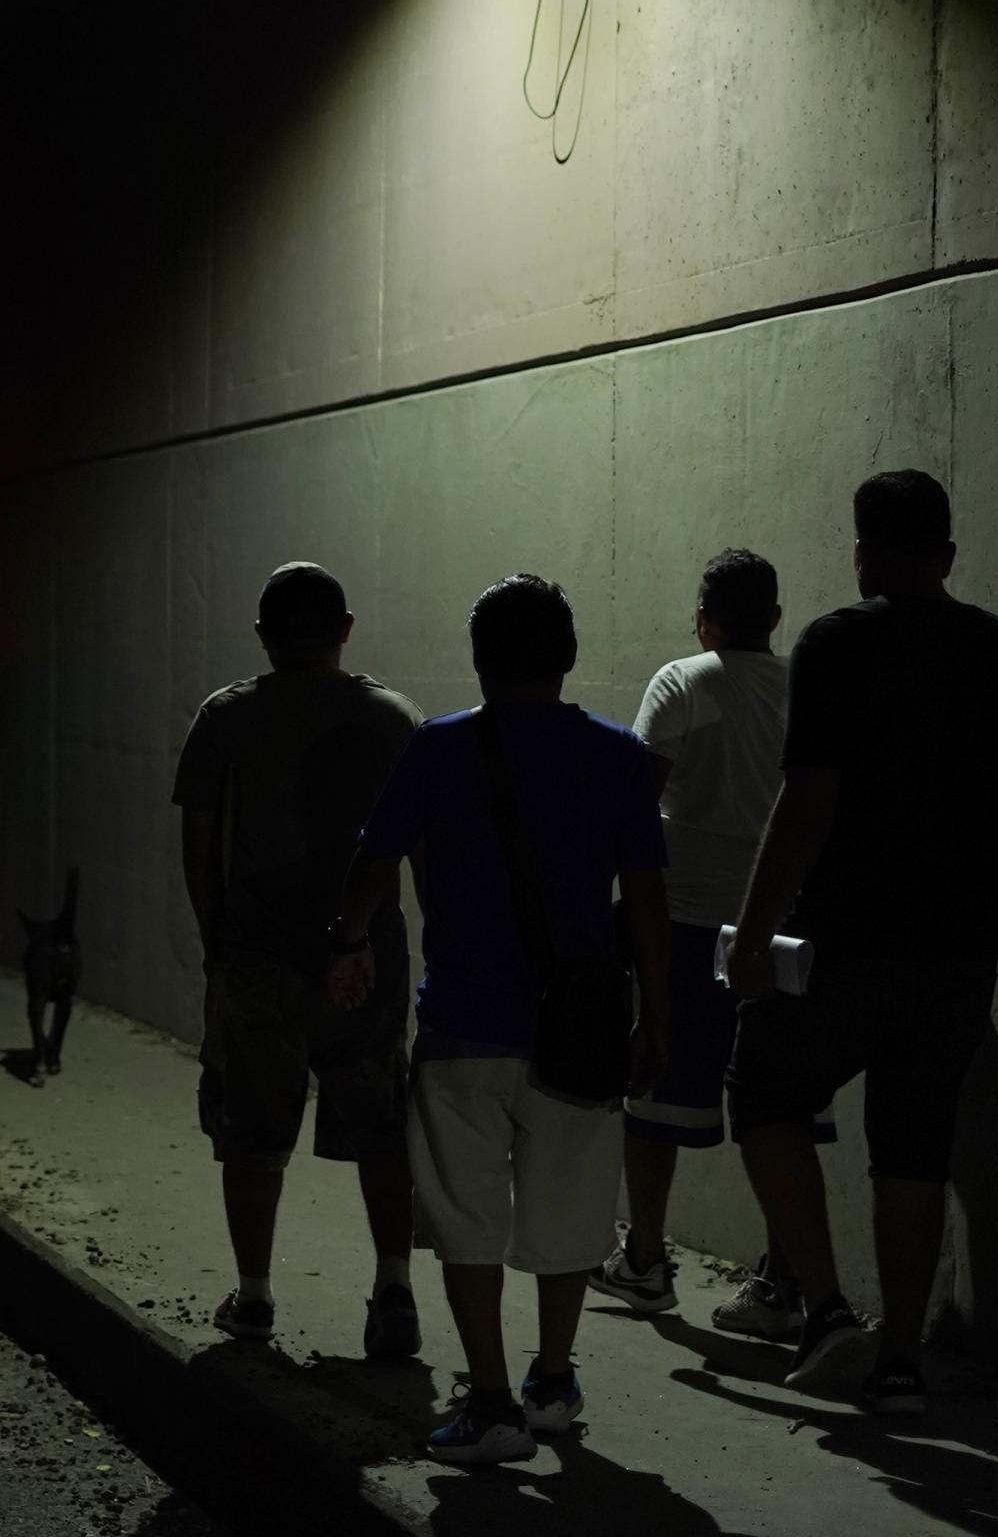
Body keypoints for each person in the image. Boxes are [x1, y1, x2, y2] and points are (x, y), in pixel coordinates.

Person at [725, 471, 998, 1417]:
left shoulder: (837, 642)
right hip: (959, 946)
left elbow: (809, 804)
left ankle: (827, 1313)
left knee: (763, 1096)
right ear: (949, 556)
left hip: (848, 937)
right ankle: (903, 1362)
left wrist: (755, 934)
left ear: (863, 553)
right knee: (913, 1147)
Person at [331, 575, 668, 1467]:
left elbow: (373, 861)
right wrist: (657, 1022)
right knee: (568, 1214)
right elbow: (646, 905)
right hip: (581, 1032)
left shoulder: (438, 749)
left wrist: (348, 942)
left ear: (480, 657)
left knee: (466, 1219)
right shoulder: (619, 757)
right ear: (567, 656)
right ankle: (551, 1382)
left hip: (464, 1026)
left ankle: (489, 1406)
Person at [171, 563, 424, 1359]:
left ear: (262, 635)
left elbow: (199, 847)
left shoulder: (225, 718)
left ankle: (253, 1299)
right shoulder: (394, 719)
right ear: (346, 628)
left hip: (257, 953)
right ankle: (393, 1292)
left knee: (251, 1132)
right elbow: (421, 847)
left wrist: (219, 942)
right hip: (365, 951)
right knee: (380, 1125)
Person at [589, 549, 829, 1340]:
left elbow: (633, 798)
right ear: (775, 618)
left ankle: (648, 1261)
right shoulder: (805, 687)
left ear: (704, 616)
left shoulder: (684, 679)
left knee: (655, 1094)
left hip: (692, 926)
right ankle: (782, 1282)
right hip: (785, 934)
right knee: (782, 1111)